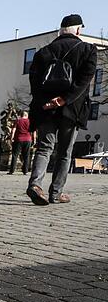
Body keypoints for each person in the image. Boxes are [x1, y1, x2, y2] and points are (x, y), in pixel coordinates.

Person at [26, 14, 97, 205]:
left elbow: (34, 82)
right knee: (64, 152)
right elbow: (85, 80)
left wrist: (45, 102)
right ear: (79, 30)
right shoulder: (87, 50)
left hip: (46, 108)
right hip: (71, 109)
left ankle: (35, 185)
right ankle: (56, 193)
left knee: (44, 148)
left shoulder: (43, 52)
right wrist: (64, 100)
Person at [9, 110, 33, 175]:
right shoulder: (29, 121)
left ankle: (12, 170)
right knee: (26, 156)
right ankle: (25, 171)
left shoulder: (18, 121)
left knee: (15, 155)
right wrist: (34, 139)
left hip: (18, 139)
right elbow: (33, 131)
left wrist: (11, 137)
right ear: (26, 115)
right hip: (28, 139)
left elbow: (13, 130)